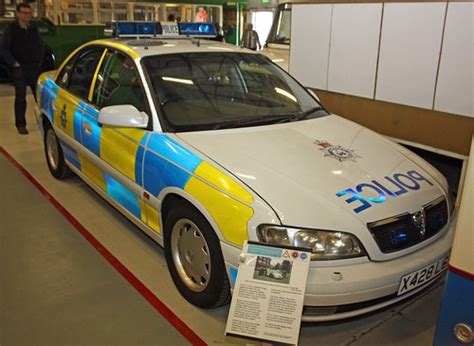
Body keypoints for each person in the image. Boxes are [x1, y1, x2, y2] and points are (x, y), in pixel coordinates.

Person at [1, 3, 45, 135]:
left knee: (39, 95)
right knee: (21, 97)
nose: (27, 16)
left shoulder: (33, 29)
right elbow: (4, 49)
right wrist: (14, 63)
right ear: (18, 14)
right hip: (19, 67)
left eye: (29, 13)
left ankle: (43, 121)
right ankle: (21, 124)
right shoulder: (11, 29)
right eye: (25, 13)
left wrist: (39, 60)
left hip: (34, 67)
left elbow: (40, 45)